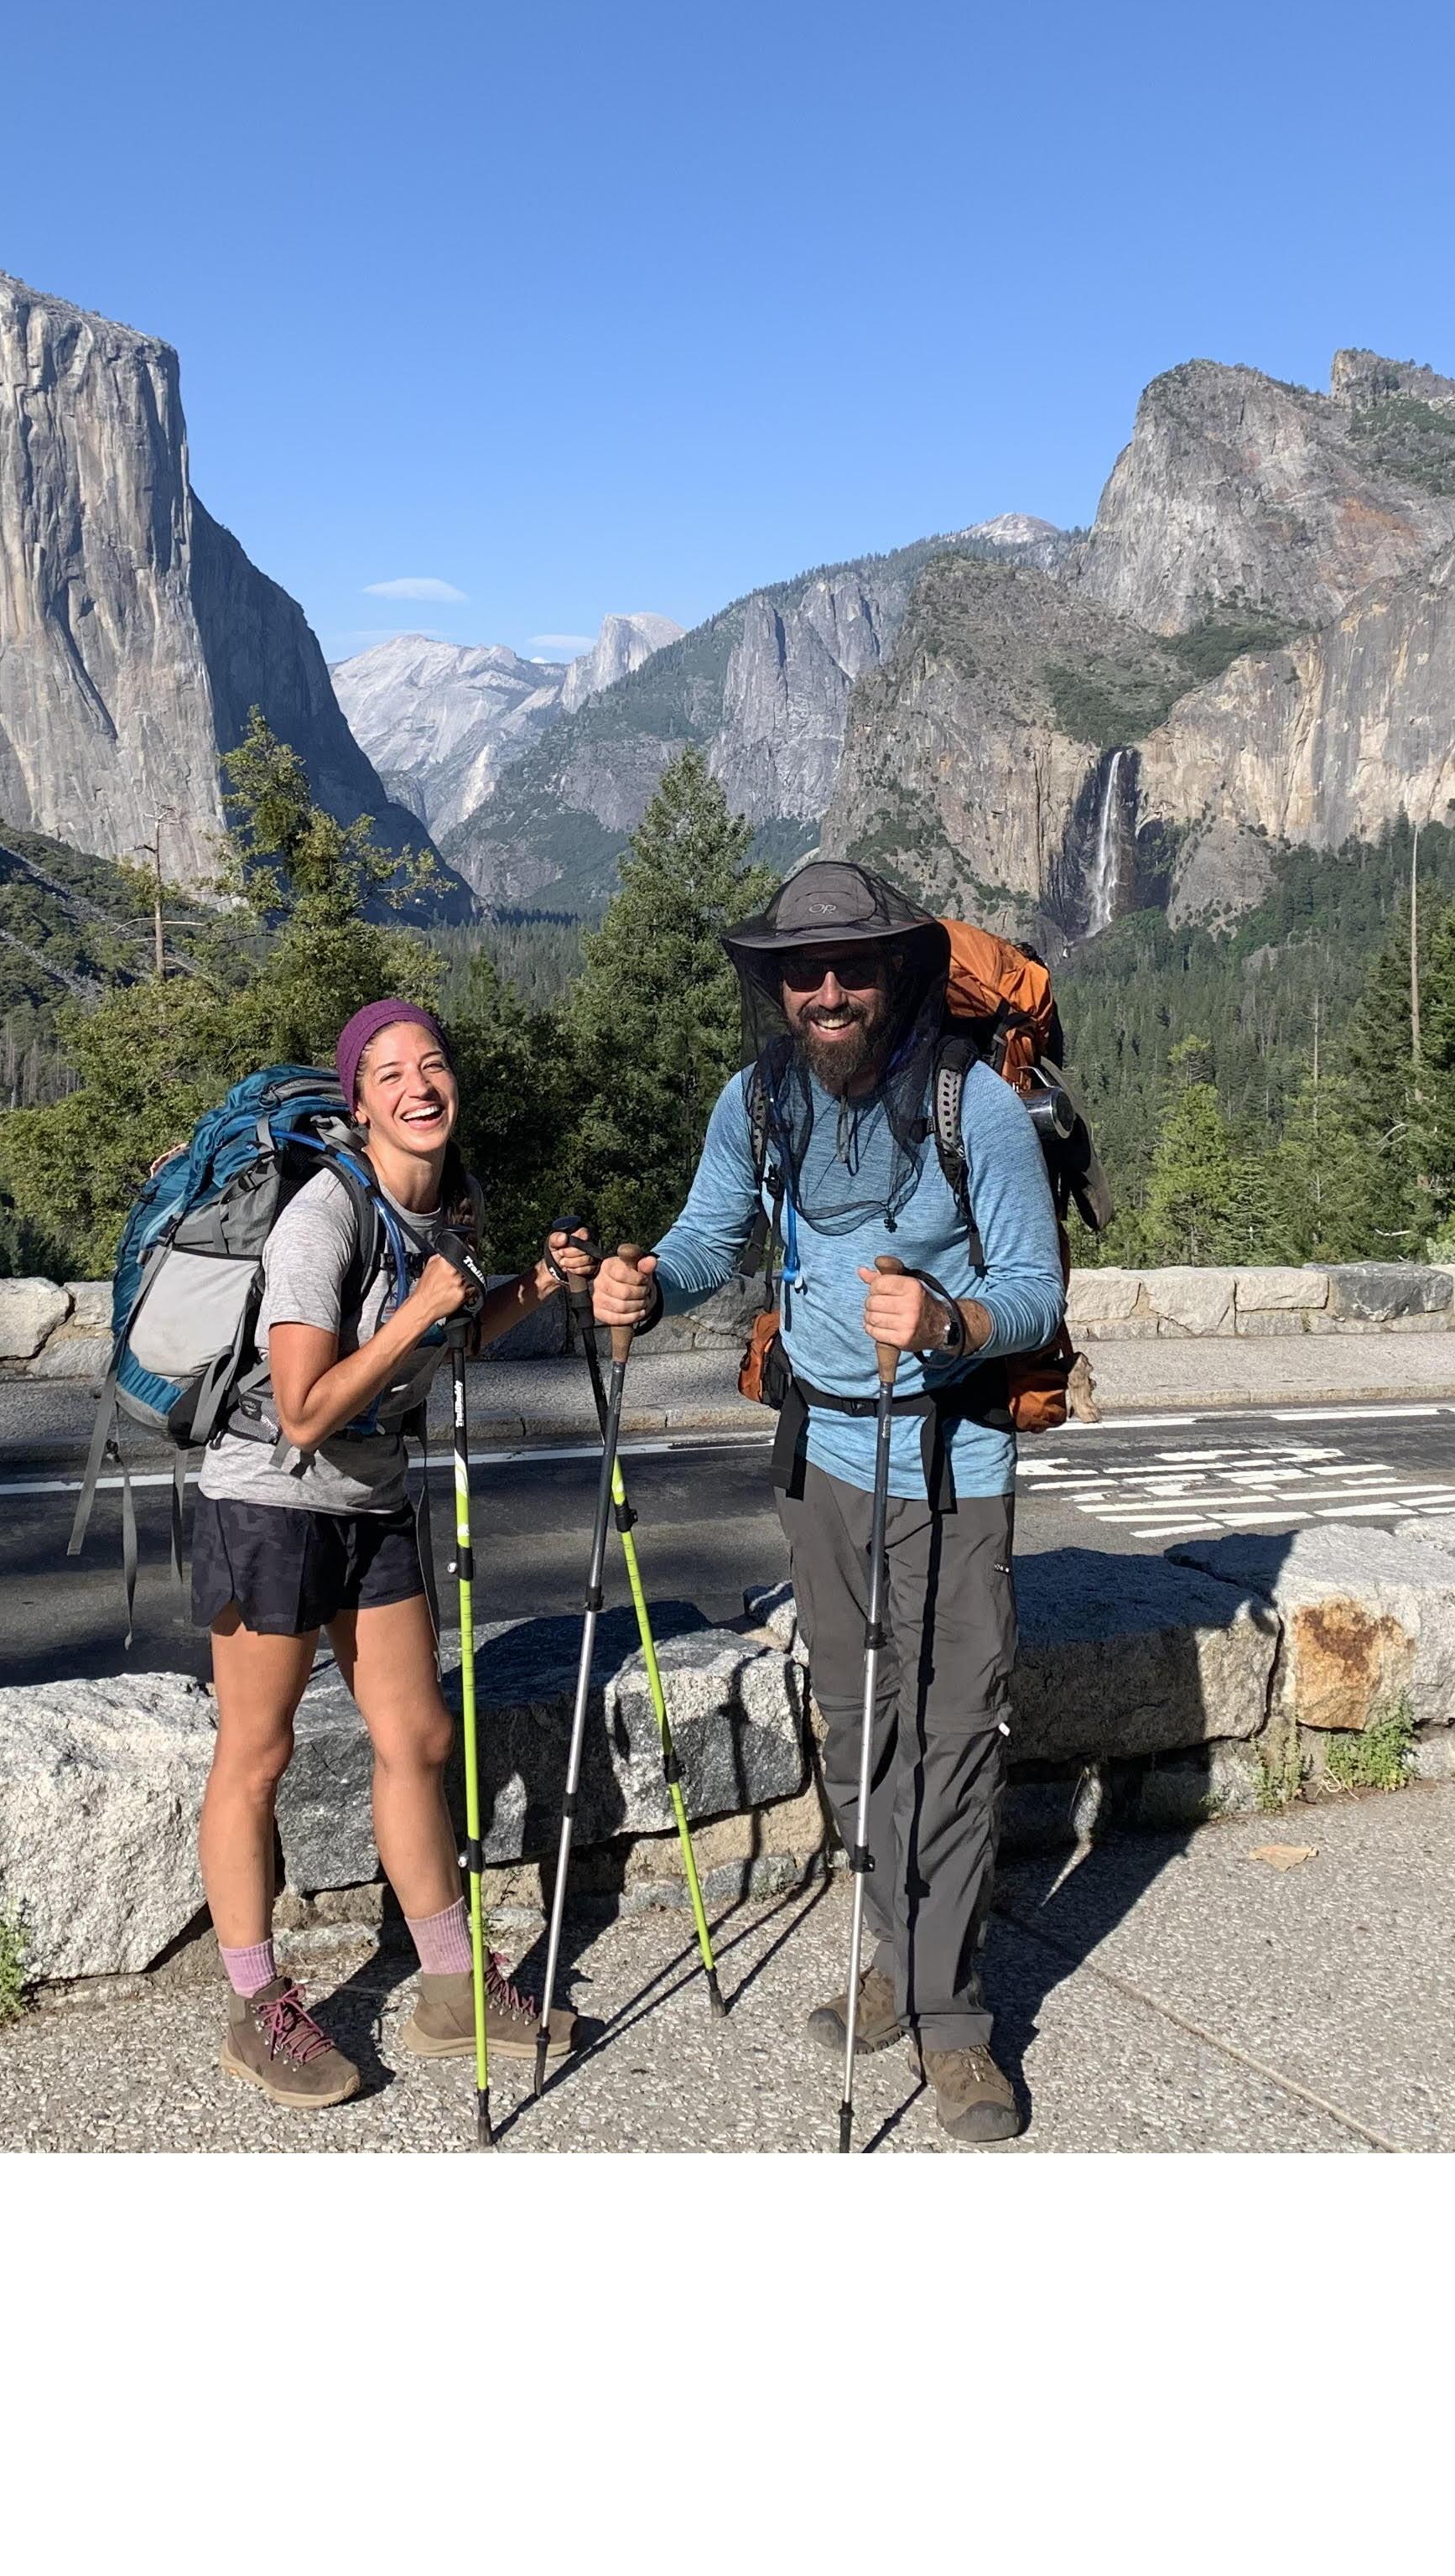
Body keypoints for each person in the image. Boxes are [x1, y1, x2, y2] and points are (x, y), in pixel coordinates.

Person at [593, 859, 1062, 2141]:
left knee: (955, 1732)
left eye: (855, 965)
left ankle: (952, 2022)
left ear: (898, 971)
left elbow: (1036, 1290)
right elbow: (706, 1237)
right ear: (778, 986)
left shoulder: (980, 1111)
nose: (830, 990)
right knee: (858, 1732)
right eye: (805, 970)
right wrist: (650, 1280)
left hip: (952, 1456)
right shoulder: (759, 1103)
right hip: (823, 1459)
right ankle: (897, 1964)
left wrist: (953, 1318)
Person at [198, 994, 577, 2109]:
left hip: (367, 1504)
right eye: (392, 1073)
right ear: (359, 1103)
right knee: (256, 1755)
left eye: (434, 1065)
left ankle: (452, 1988)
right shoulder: (323, 1218)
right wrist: (418, 1312)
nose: (421, 1086)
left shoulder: (444, 1214)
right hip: (268, 1502)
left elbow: (450, 1327)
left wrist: (533, 1287)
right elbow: (306, 1411)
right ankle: (256, 2005)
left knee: (417, 1735)